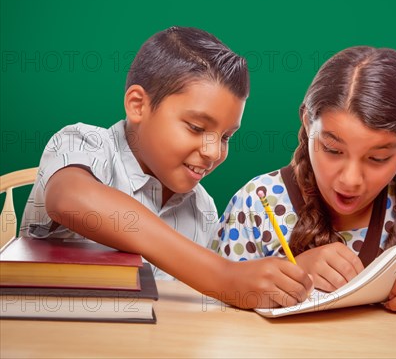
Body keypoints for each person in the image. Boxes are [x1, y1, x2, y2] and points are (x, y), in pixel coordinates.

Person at [20, 26, 312, 309]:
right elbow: (70, 199)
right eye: (196, 127)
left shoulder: (202, 208)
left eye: (226, 137)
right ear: (138, 105)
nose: (213, 152)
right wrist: (222, 276)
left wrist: (289, 275)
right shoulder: (84, 143)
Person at [211, 46, 396, 312]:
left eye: (378, 158)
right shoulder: (255, 203)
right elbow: (212, 302)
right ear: (306, 123)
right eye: (332, 149)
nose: (351, 180)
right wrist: (290, 274)